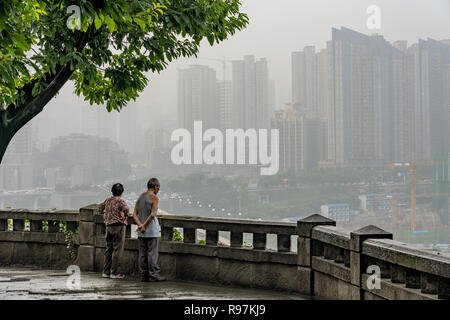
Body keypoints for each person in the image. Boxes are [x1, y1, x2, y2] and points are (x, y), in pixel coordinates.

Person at [133, 178, 166, 282]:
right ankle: (154, 275)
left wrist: (140, 225)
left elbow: (134, 214)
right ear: (156, 186)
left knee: (142, 254)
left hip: (141, 233)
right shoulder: (154, 197)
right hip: (151, 231)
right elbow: (152, 215)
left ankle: (144, 275)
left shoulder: (140, 197)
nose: (158, 190)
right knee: (152, 254)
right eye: (158, 187)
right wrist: (144, 225)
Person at [98, 183, 129, 279]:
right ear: (122, 192)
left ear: (112, 191)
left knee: (108, 249)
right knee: (117, 250)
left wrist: (104, 215)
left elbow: (99, 207)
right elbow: (126, 209)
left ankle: (105, 272)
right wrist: (124, 216)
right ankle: (115, 272)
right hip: (118, 226)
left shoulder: (108, 200)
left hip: (108, 226)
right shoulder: (120, 201)